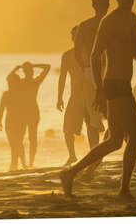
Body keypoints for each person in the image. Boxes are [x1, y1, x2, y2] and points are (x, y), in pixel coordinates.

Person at [60, 0, 136, 200]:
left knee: (115, 140)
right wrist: (99, 89)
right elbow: (95, 56)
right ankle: (124, 189)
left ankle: (71, 173)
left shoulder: (133, 20)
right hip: (113, 84)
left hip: (123, 83)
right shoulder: (110, 22)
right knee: (135, 137)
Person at [74, 0, 110, 147]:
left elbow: (76, 52)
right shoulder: (112, 23)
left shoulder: (84, 25)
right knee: (115, 113)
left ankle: (94, 154)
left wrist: (86, 68)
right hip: (109, 70)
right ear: (108, 4)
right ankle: (111, 146)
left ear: (93, 5)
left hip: (89, 72)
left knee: (92, 119)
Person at [10, 62, 50, 167]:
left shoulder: (35, 81)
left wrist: (31, 65)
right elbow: (9, 78)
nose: (31, 72)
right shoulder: (21, 82)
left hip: (32, 112)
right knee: (21, 137)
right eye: (29, 71)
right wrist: (17, 68)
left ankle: (30, 162)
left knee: (32, 138)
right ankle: (23, 162)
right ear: (25, 72)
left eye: (31, 70)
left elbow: (47, 67)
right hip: (23, 113)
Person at [57, 26, 86, 166]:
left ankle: (95, 156)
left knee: (93, 127)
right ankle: (72, 155)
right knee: (67, 129)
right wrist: (59, 97)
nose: (75, 38)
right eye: (74, 35)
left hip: (90, 95)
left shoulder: (90, 52)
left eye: (79, 35)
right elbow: (62, 77)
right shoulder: (67, 55)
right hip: (74, 97)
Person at [0, 71, 27, 171]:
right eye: (9, 82)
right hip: (9, 122)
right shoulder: (6, 94)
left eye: (12, 82)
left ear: (17, 82)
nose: (10, 84)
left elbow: (25, 108)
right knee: (14, 144)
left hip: (21, 121)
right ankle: (15, 164)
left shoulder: (22, 93)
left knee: (18, 143)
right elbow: (1, 108)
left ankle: (21, 163)